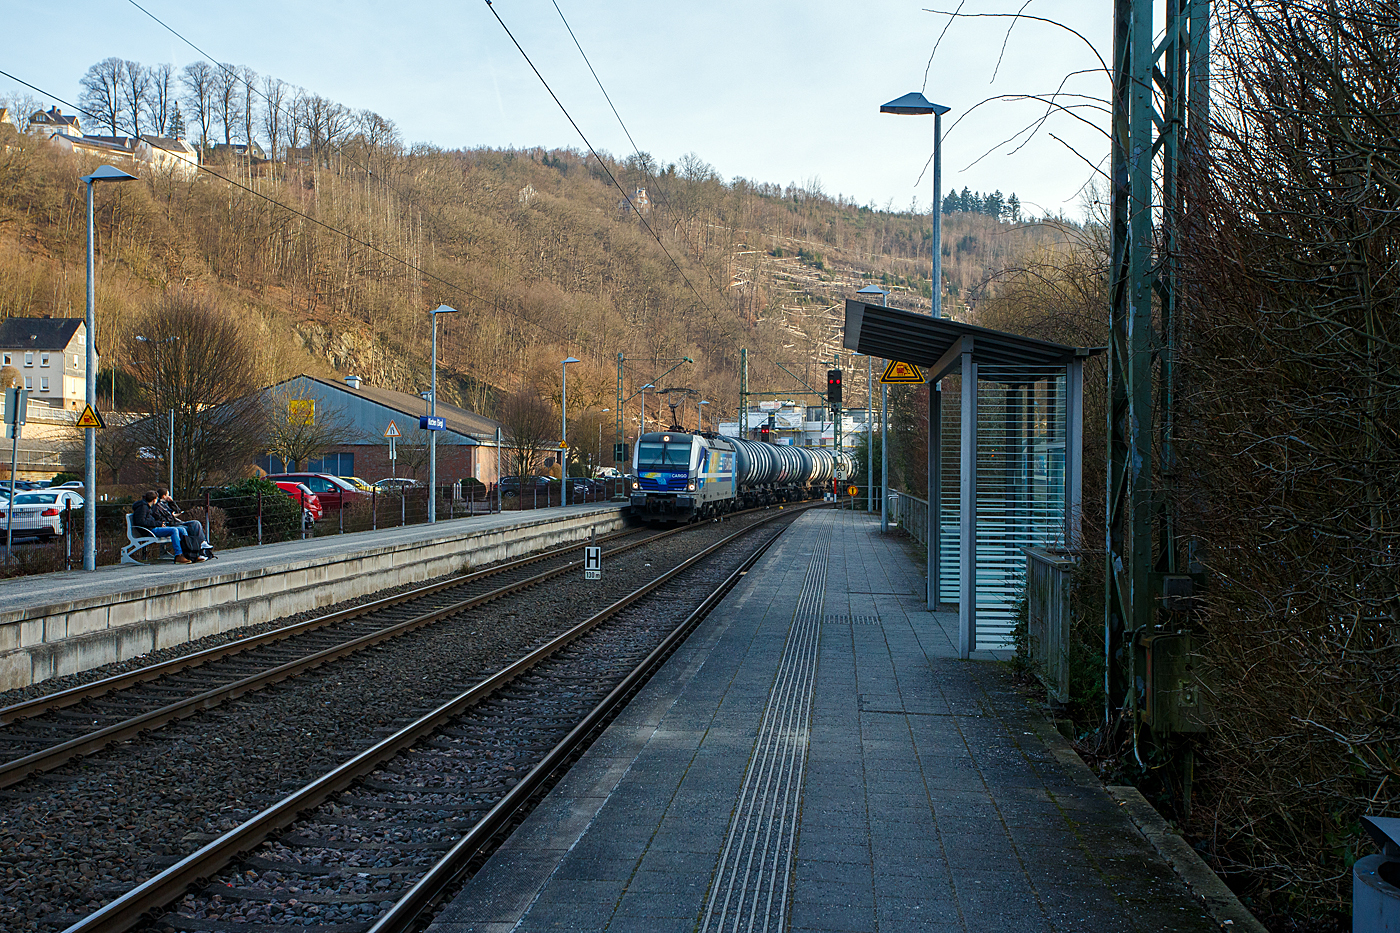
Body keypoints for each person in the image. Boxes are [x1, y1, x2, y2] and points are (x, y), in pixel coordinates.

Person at [132, 490, 198, 564]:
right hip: (149, 531)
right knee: (174, 530)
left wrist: (160, 523)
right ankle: (178, 555)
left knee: (182, 529)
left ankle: (188, 553)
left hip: (153, 528)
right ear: (154, 500)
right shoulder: (143, 507)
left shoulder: (147, 506)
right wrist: (159, 523)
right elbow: (141, 522)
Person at [156, 487, 212, 559]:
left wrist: (171, 502)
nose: (169, 497)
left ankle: (202, 542)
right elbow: (165, 518)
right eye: (168, 495)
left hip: (176, 522)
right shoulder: (158, 506)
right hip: (172, 524)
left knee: (196, 523)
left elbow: (178, 510)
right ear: (164, 496)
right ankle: (192, 550)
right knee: (188, 529)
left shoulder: (166, 504)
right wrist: (172, 516)